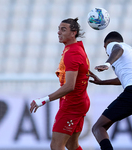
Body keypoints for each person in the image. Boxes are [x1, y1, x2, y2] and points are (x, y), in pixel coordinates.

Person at [88, 31, 132, 150]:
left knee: (98, 127)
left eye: (105, 48)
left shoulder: (114, 45)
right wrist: (101, 82)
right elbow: (123, 78)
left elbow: (117, 49)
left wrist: (107, 64)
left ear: (108, 43)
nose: (106, 51)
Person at [30, 18, 90, 150]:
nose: (58, 32)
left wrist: (43, 100)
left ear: (73, 33)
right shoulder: (76, 48)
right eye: (59, 29)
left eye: (63, 29)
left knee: (56, 146)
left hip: (72, 105)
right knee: (71, 145)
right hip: (79, 101)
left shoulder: (72, 52)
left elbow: (70, 86)